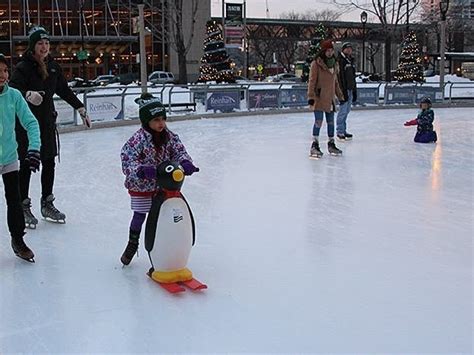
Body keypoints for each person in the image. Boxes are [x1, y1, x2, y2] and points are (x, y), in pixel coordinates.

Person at [9, 26, 92, 228]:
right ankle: (23, 205)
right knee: (28, 164)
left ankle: (47, 202)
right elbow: (12, 88)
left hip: (46, 123)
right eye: (40, 43)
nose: (44, 47)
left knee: (49, 162)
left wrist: (81, 108)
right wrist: (28, 94)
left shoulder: (54, 67)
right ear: (33, 46)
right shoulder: (23, 67)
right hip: (26, 125)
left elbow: (63, 90)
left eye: (46, 43)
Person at [120, 94, 199, 266]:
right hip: (141, 187)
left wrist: (185, 162)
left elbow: (179, 151)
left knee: (165, 216)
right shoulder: (137, 140)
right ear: (146, 121)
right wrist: (140, 170)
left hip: (164, 184)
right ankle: (132, 244)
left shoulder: (169, 136)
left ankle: (164, 248)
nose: (161, 123)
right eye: (156, 119)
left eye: (163, 119)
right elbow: (127, 159)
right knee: (140, 216)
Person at [0, 53, 41, 261]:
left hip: (8, 156)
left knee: (14, 200)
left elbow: (31, 123)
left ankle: (18, 239)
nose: (3, 75)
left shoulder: (14, 95)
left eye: (5, 70)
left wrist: (34, 148)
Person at [307, 39, 345, 158]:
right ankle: (315, 144)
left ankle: (331, 143)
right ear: (323, 51)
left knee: (330, 122)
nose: (330, 52)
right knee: (318, 121)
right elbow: (312, 81)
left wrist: (340, 96)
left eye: (331, 50)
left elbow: (335, 83)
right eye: (327, 50)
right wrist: (311, 96)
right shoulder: (316, 63)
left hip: (330, 98)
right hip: (319, 97)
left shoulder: (334, 63)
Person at [336, 42, 357, 141]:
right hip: (343, 90)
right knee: (343, 111)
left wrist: (354, 90)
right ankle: (340, 130)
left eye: (350, 48)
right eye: (347, 48)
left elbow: (352, 77)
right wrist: (342, 91)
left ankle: (343, 130)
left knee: (347, 111)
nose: (349, 50)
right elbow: (340, 77)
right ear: (343, 49)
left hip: (350, 89)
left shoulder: (350, 61)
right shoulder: (340, 61)